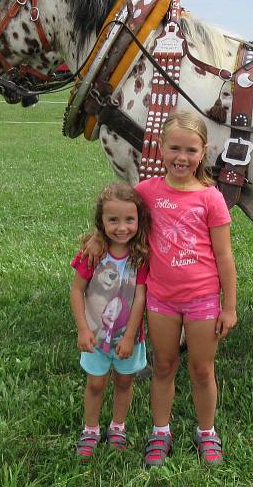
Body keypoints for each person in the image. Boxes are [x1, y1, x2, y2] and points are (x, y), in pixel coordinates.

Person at [85, 113, 237, 466]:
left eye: (190, 150)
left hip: (202, 300)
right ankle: (160, 431)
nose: (181, 157)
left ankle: (207, 433)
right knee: (163, 366)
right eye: (174, 148)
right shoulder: (147, 193)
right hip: (160, 299)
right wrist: (96, 237)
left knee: (202, 370)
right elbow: (117, 211)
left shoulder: (211, 198)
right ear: (160, 148)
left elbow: (225, 256)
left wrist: (229, 306)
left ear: (203, 152)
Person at [70, 181, 151, 459]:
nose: (122, 227)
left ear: (139, 221)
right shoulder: (93, 254)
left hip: (128, 338)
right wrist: (82, 329)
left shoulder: (140, 257)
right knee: (95, 384)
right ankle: (90, 429)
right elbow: (76, 290)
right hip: (95, 337)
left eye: (129, 219)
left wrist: (130, 336)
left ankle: (118, 426)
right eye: (113, 220)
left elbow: (140, 297)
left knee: (125, 382)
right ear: (101, 222)